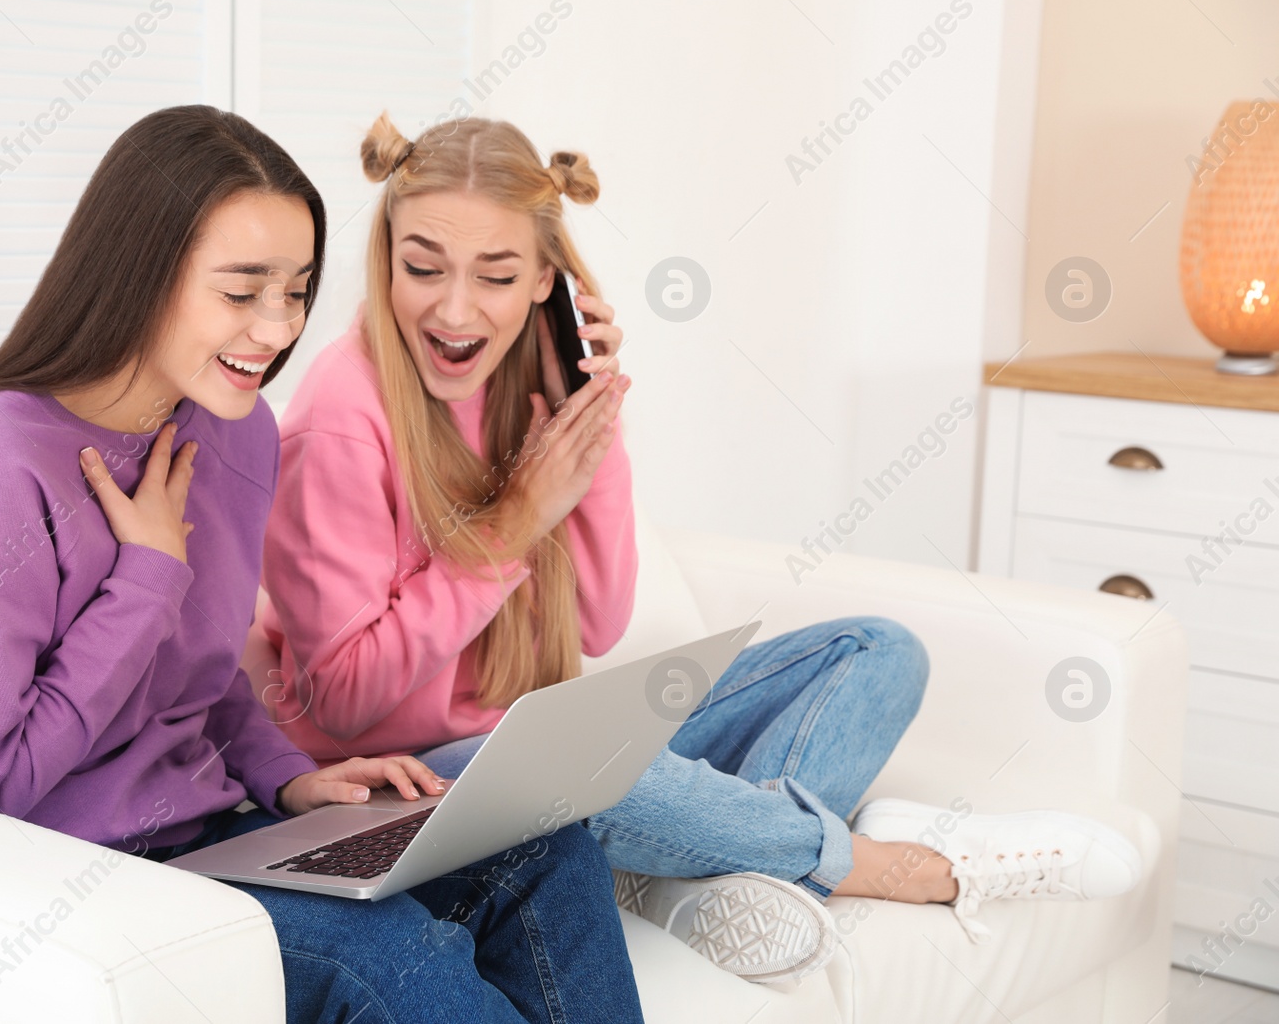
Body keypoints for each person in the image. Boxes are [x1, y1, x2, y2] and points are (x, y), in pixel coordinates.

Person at [257, 113, 1144, 980]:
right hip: (404, 784)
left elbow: (600, 620)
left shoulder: (535, 385)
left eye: (495, 274)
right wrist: (512, 526)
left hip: (529, 737)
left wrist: (591, 422)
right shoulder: (341, 414)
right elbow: (340, 699)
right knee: (598, 776)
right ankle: (904, 864)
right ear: (386, 258)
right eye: (422, 268)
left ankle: (716, 868)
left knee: (877, 651)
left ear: (545, 282)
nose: (453, 308)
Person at [0, 104, 646, 1024]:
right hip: (65, 875)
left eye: (297, 289)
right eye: (242, 292)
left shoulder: (234, 434)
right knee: (392, 958)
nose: (276, 330)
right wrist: (145, 576)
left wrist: (288, 776)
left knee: (548, 848)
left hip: (213, 837)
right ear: (139, 274)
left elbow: (197, 682)